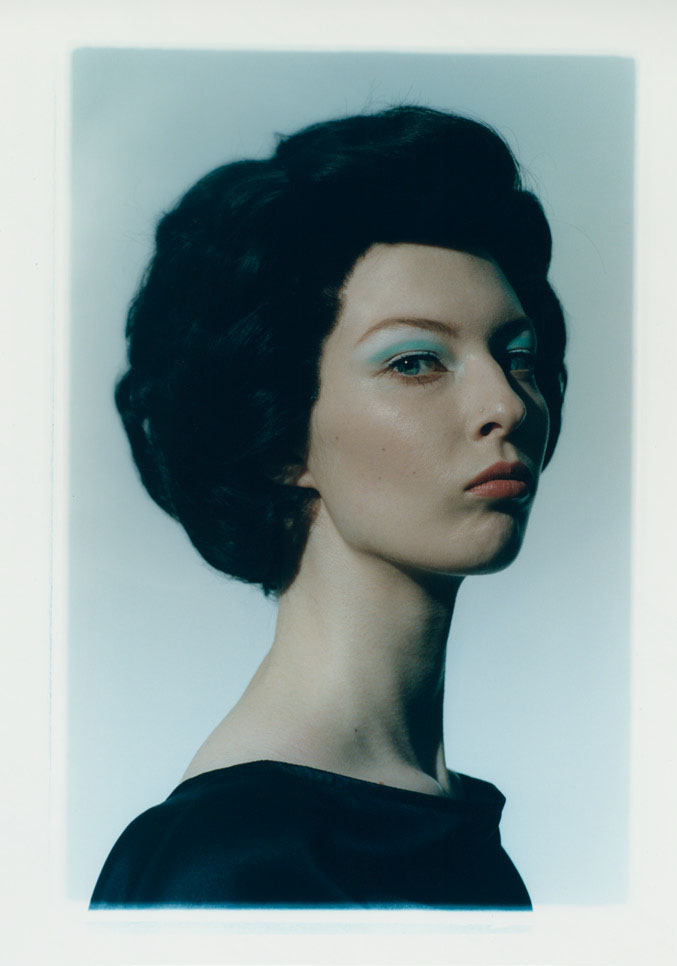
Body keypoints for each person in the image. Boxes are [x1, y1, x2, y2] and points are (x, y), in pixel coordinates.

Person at [90, 105, 567, 909]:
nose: (507, 405)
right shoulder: (235, 868)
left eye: (515, 356)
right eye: (415, 362)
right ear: (277, 435)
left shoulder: (427, 816)